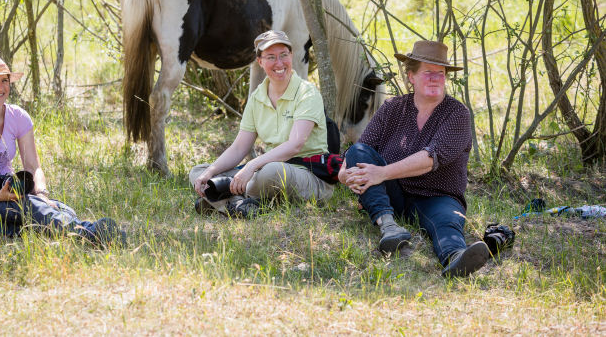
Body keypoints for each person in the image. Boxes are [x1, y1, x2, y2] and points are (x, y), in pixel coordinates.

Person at [339, 40, 490, 278]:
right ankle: (388, 225)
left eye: (440, 74)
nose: (435, 79)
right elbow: (361, 149)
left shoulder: (457, 114)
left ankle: (456, 258)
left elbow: (431, 158)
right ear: (411, 76)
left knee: (447, 222)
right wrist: (343, 174)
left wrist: (382, 173)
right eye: (428, 72)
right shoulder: (393, 108)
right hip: (393, 193)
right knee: (358, 152)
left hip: (436, 196)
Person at [0, 52, 125, 246]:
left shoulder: (18, 117)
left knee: (60, 210)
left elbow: (33, 166)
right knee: (31, 209)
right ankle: (88, 234)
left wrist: (41, 194)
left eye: (5, 80)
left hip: (7, 188)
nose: (1, 87)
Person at [189, 30, 334, 217]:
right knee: (199, 172)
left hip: (308, 175)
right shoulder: (257, 97)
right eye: (271, 57)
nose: (279, 63)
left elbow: (295, 145)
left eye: (284, 55)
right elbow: (239, 147)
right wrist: (209, 173)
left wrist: (251, 166)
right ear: (260, 62)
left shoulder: (307, 93)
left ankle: (222, 201)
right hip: (265, 171)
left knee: (270, 172)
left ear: (291, 55)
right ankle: (241, 205)